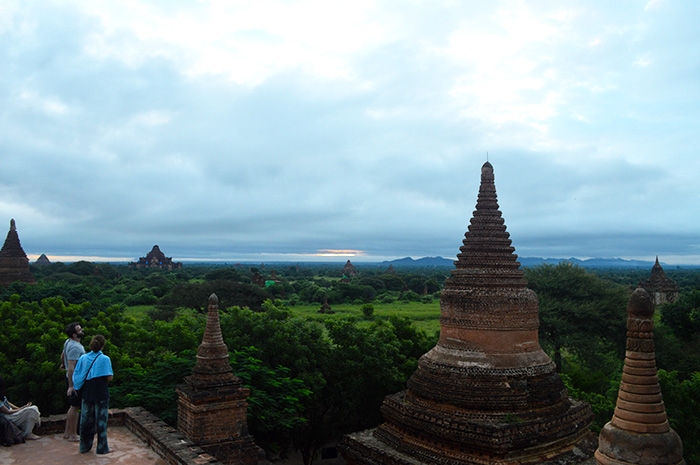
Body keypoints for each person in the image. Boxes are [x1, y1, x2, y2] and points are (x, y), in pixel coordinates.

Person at [73, 335, 113, 455]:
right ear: (102, 345)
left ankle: (84, 446)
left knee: (85, 420)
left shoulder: (83, 358)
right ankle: (102, 447)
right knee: (101, 421)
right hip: (100, 390)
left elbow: (77, 374)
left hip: (87, 390)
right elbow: (109, 377)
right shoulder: (105, 359)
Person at [60, 322, 85, 442]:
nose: (82, 331)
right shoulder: (76, 347)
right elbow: (71, 366)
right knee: (75, 407)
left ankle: (67, 432)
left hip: (71, 378)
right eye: (79, 330)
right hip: (75, 380)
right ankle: (73, 434)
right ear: (74, 335)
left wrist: (62, 363)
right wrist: (71, 386)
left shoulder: (68, 342)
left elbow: (63, 353)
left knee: (72, 406)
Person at [0, 375, 41, 440]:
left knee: (32, 409)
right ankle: (27, 434)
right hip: (8, 417)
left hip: (11, 414)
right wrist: (22, 409)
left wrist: (22, 408)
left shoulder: (2, 396)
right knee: (32, 410)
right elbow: (7, 411)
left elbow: (9, 404)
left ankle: (28, 432)